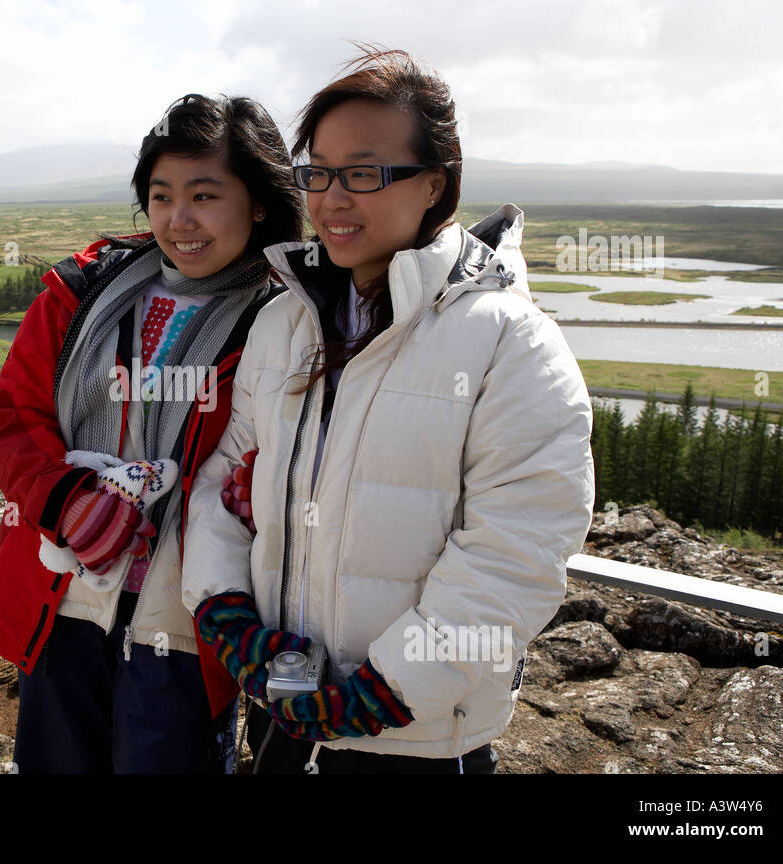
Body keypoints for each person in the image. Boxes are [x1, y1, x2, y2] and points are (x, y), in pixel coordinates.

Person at [182, 48, 596, 774]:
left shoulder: (509, 340)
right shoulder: (287, 324)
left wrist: (384, 692)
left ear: (435, 183)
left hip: (418, 738)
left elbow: (516, 554)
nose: (333, 197)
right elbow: (225, 480)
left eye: (365, 172)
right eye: (318, 172)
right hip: (286, 713)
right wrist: (227, 616)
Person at [0, 94, 305, 773]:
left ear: (263, 202)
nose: (179, 221)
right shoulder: (84, 291)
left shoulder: (289, 320)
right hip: (64, 596)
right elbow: (14, 412)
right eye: (160, 197)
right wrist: (67, 501)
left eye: (205, 195)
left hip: (183, 620)